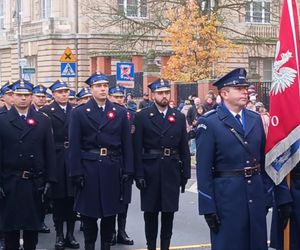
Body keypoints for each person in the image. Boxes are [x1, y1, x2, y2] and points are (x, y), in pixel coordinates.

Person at [196, 68, 274, 250]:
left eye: (245, 87)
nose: (245, 91)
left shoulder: (255, 119)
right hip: (227, 198)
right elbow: (204, 170)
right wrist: (208, 207)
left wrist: (266, 194)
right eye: (239, 88)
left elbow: (262, 161)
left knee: (256, 244)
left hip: (254, 194)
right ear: (224, 93)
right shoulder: (210, 122)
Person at [69, 73, 133, 250]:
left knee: (109, 216)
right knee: (89, 218)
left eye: (105, 85)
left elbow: (127, 143)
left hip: (112, 167)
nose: (103, 89)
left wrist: (128, 169)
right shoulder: (79, 113)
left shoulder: (120, 112)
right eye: (98, 86)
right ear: (91, 89)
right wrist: (76, 172)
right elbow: (74, 145)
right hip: (89, 167)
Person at [133, 78, 191, 250]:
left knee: (168, 213)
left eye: (166, 92)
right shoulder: (142, 116)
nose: (164, 96)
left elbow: (184, 148)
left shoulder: (179, 117)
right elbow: (137, 148)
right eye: (160, 93)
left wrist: (185, 173)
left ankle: (165, 246)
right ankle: (151, 246)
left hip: (171, 169)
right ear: (153, 95)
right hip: (150, 169)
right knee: (150, 214)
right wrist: (139, 174)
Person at [0, 79, 56, 250]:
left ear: (31, 97)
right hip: (9, 182)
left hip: (34, 183)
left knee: (32, 231)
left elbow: (49, 152)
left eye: (26, 95)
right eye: (19, 95)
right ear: (12, 96)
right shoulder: (2, 121)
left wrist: (50, 180)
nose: (23, 98)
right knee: (11, 232)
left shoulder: (43, 120)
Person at [40, 80, 79, 250]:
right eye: (60, 92)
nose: (64, 94)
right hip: (55, 159)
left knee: (72, 199)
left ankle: (70, 234)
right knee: (58, 200)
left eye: (66, 91)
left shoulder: (76, 111)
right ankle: (59, 235)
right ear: (53, 94)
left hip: (72, 158)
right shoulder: (46, 112)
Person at [108, 85, 134, 245]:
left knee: (125, 198)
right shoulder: (106, 114)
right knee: (111, 196)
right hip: (111, 159)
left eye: (121, 97)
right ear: (109, 97)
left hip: (126, 159)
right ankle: (110, 230)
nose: (118, 100)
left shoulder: (130, 115)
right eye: (115, 97)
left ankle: (121, 230)